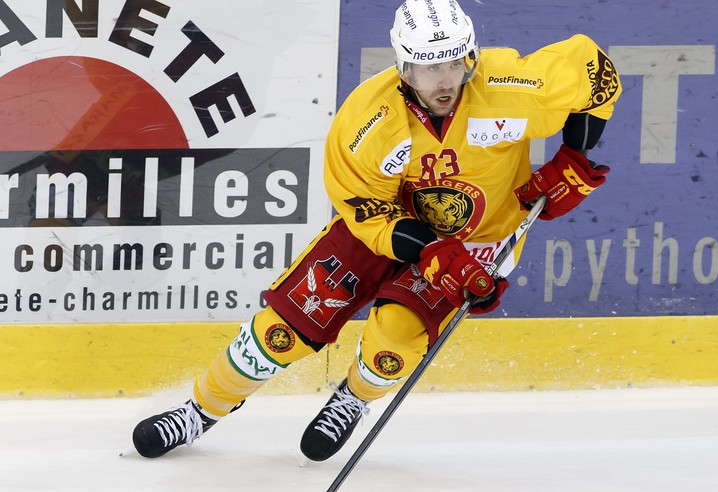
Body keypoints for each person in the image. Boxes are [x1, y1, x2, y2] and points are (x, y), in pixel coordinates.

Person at [132, 0, 621, 462]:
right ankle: (201, 410)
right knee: (283, 331)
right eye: (430, 67)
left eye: (454, 63)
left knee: (391, 347)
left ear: (470, 55)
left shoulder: (511, 88)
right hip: (384, 228)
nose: (445, 80)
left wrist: (572, 155)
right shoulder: (369, 118)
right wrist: (428, 248)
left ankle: (354, 398)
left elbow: (594, 70)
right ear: (404, 65)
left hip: (479, 240)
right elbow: (364, 208)